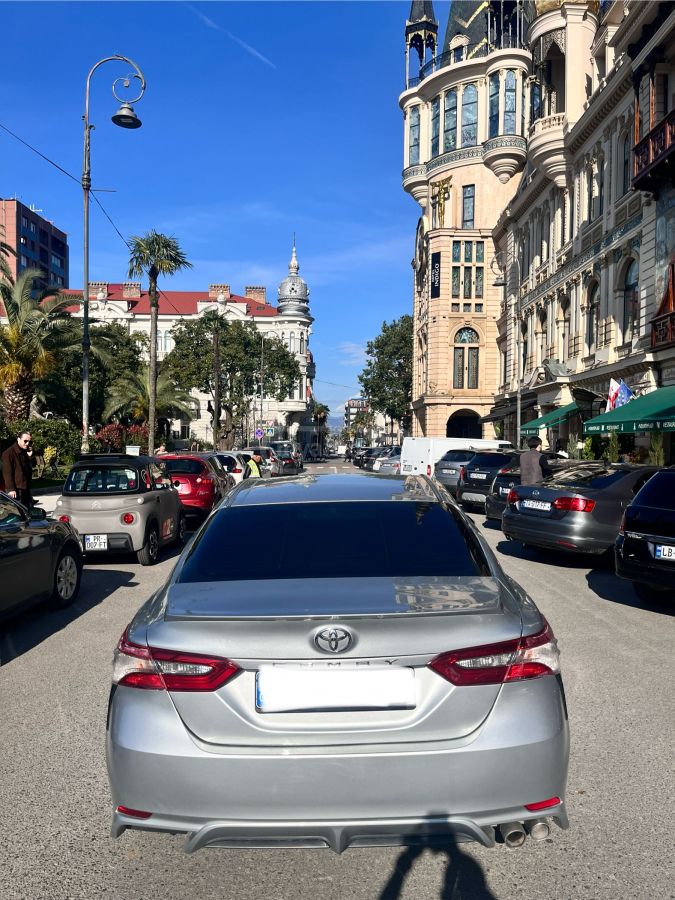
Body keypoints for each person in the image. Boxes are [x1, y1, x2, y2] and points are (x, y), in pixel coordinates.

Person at [2, 430, 36, 507]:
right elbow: (7, 473)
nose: (27, 443)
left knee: (28, 509)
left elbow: (32, 466)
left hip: (25, 487)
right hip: (16, 488)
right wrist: (11, 489)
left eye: (30, 442)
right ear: (18, 439)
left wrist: (30, 456)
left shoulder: (25, 451)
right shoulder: (8, 453)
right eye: (25, 441)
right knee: (19, 510)